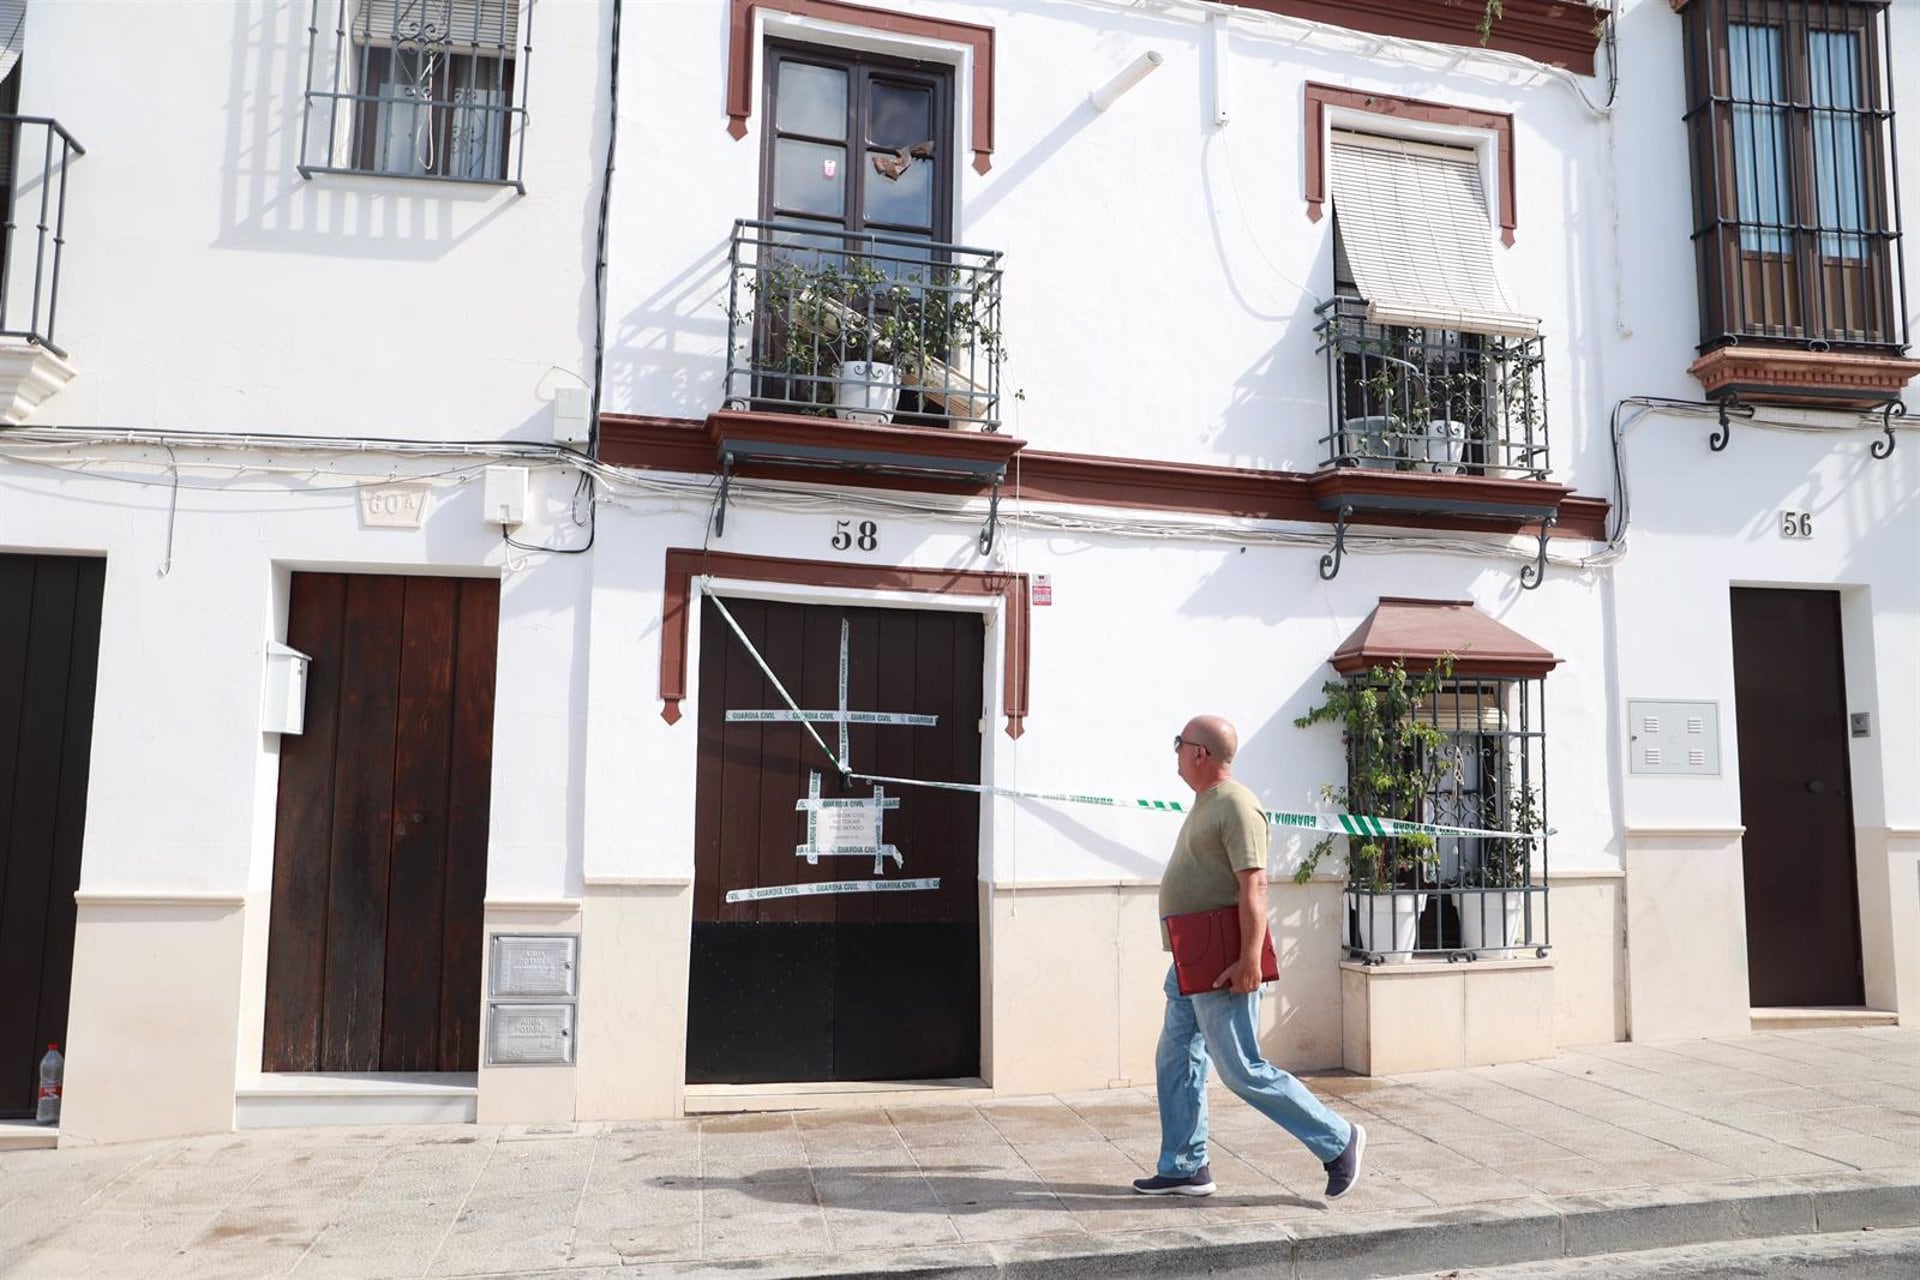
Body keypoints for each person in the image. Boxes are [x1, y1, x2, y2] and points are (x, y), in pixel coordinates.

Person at [1132, 714, 1366, 1201]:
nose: (1175, 750)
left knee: (1242, 1069)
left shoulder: (1237, 805)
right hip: (1190, 959)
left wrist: (1248, 962)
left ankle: (1338, 1140)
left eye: (1179, 743)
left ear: (1199, 753)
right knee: (1175, 1061)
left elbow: (1254, 886)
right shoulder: (1206, 803)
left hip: (1222, 961)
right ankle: (1184, 1166)